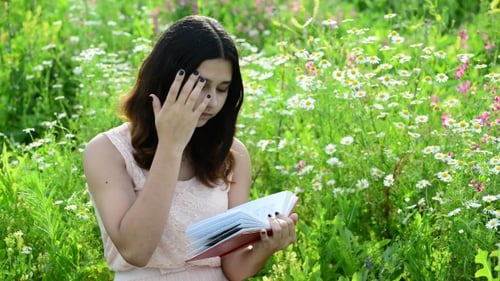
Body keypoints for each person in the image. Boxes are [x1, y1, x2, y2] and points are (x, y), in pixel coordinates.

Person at [83, 15, 298, 281]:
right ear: (166, 78)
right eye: (200, 85)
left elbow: (233, 268)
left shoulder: (232, 155)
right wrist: (171, 146)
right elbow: (136, 250)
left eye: (222, 89)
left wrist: (267, 246)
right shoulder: (107, 151)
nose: (211, 100)